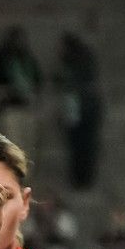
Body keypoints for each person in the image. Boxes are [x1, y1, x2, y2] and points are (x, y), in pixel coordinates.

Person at [54, 32, 102, 191]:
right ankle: (81, 178)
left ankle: (82, 178)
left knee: (81, 147)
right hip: (82, 111)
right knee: (80, 147)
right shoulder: (79, 64)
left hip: (82, 111)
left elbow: (73, 87)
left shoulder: (76, 66)